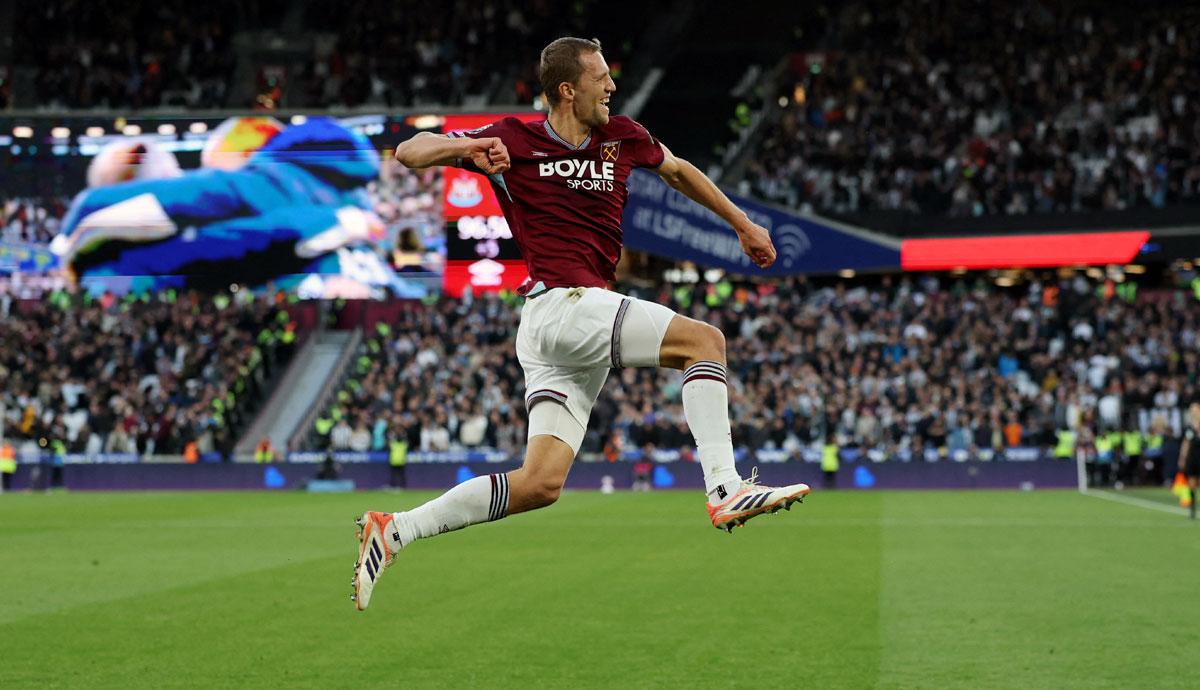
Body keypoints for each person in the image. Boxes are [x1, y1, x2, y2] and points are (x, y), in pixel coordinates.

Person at [351, 37, 810, 610]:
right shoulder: (513, 139)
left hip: (562, 334)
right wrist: (464, 148)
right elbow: (409, 152)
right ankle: (724, 486)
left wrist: (743, 225)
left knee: (539, 484)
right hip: (562, 305)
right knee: (705, 341)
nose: (612, 87)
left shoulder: (624, 136)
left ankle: (394, 530)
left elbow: (680, 172)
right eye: (601, 78)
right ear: (569, 88)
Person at [1176, 403, 1200, 520]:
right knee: (1192, 482)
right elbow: (1186, 443)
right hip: (1192, 457)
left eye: (1195, 410)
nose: (1193, 412)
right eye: (1191, 410)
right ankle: (1193, 509)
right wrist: (1182, 458)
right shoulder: (1189, 427)